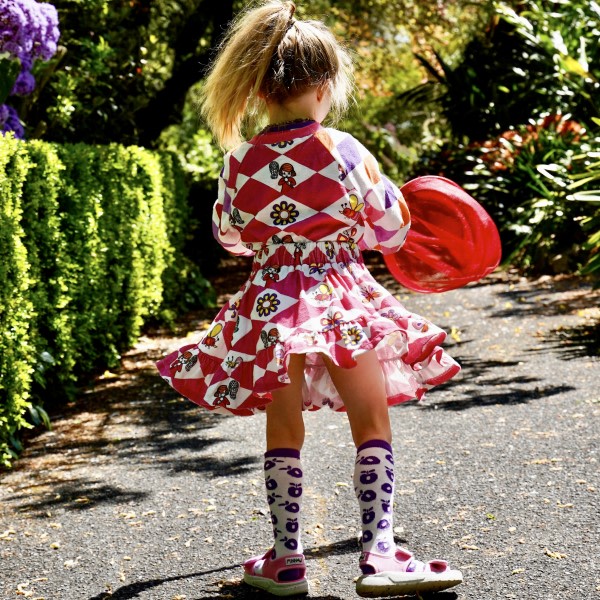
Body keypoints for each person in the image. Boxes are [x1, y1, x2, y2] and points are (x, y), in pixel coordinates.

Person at [156, 1, 463, 596]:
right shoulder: (344, 150)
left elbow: (231, 237)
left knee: (283, 425)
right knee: (370, 418)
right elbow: (390, 230)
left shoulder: (240, 161)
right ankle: (379, 555)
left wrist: (280, 239)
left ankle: (286, 560)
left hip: (271, 310)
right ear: (322, 86)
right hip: (342, 298)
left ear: (262, 89)